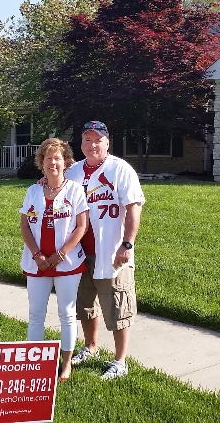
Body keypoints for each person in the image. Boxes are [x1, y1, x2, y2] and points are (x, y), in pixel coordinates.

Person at [65, 120, 145, 380]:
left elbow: (134, 207)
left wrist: (128, 243)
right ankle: (90, 347)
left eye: (97, 140)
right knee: (86, 305)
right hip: (80, 254)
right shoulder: (73, 172)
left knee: (118, 307)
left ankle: (120, 360)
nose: (92, 145)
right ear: (81, 144)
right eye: (87, 140)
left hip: (111, 252)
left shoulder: (120, 169)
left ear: (107, 142)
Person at [19, 138, 89, 382]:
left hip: (67, 264)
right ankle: (34, 362)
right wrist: (37, 255)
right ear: (42, 162)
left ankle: (66, 363)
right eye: (48, 158)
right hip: (36, 263)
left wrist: (61, 254)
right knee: (36, 314)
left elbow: (81, 226)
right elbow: (25, 225)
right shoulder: (33, 190)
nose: (53, 163)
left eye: (57, 158)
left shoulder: (75, 190)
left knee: (66, 313)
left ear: (66, 162)